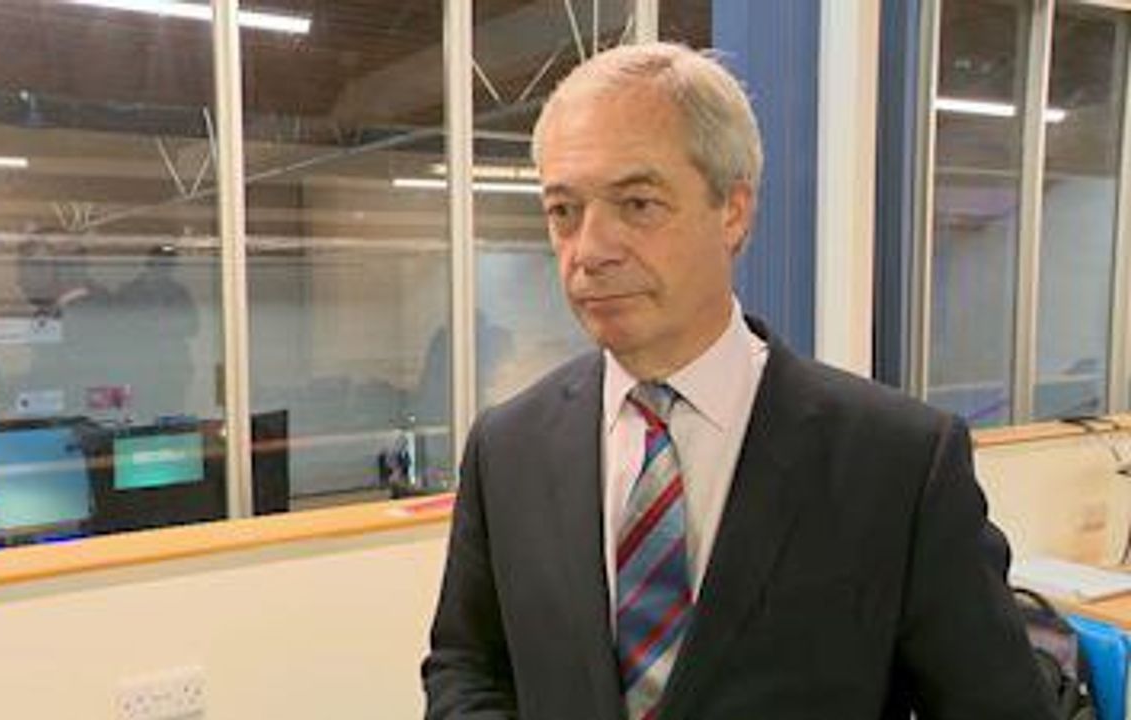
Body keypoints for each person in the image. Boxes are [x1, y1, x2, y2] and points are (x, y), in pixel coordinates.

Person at [422, 43, 1055, 720]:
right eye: (564, 211)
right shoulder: (507, 449)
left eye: (637, 203)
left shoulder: (898, 463)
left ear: (733, 210)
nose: (591, 250)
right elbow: (467, 666)